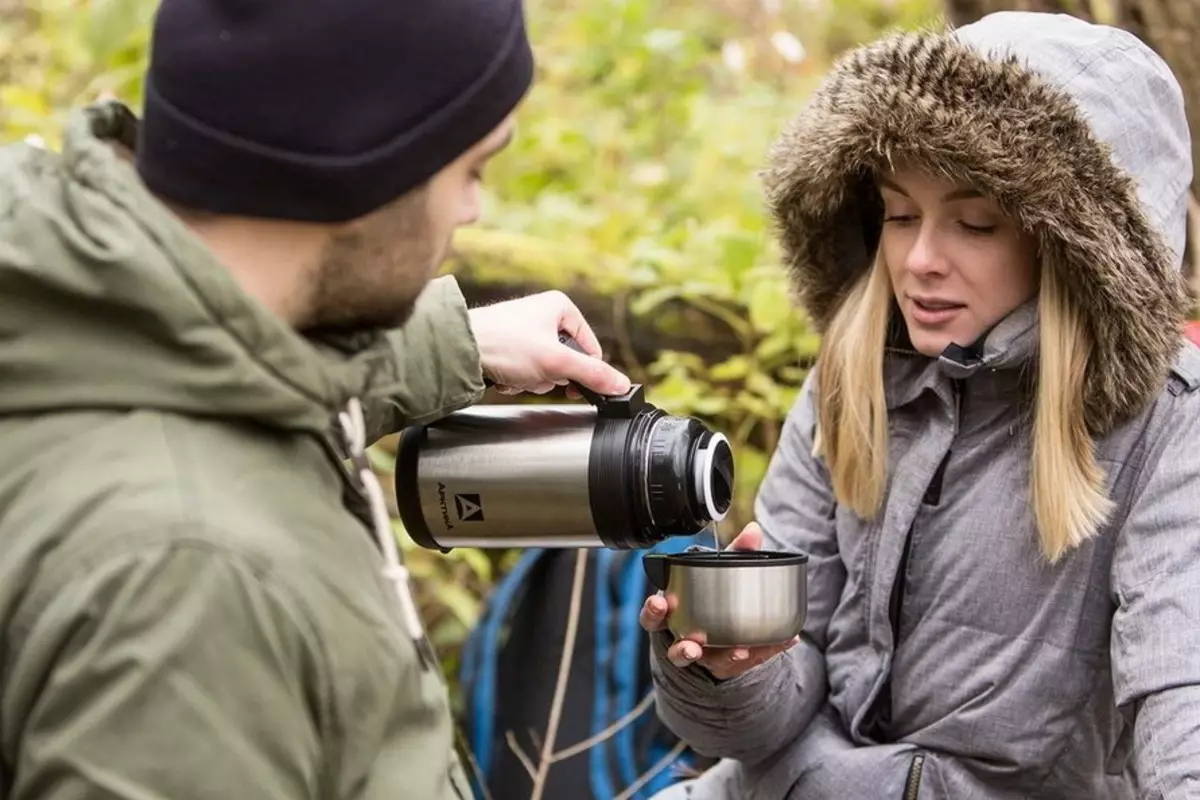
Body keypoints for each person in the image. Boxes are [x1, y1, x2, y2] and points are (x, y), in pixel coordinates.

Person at [0, 1, 631, 798]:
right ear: (365, 168)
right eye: (470, 169)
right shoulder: (193, 585)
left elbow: (223, 364)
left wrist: (457, 341)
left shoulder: (75, 314)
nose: (474, 210)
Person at [641, 10, 1200, 799]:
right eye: (900, 215)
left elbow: (1185, 701)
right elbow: (770, 723)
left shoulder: (1173, 427)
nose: (920, 261)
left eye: (975, 222)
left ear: (1069, 244)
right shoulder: (854, 369)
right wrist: (736, 667)